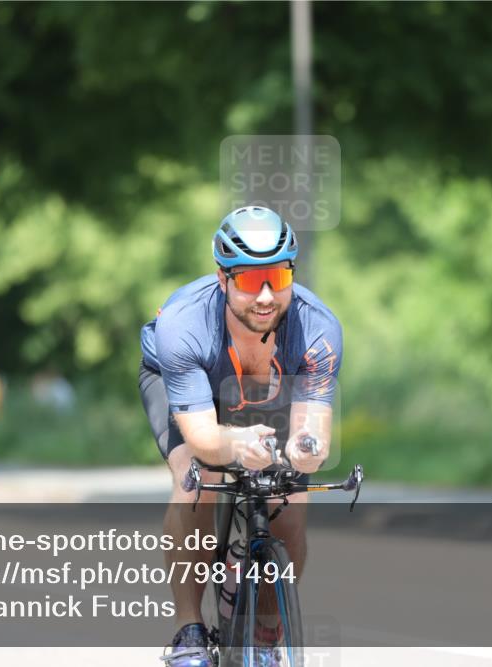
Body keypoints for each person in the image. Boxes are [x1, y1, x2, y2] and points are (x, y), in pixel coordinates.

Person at [138, 206, 343, 666]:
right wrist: (236, 444)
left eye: (278, 277)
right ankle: (188, 630)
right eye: (251, 281)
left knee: (290, 501)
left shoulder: (317, 329)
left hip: (269, 386)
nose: (267, 295)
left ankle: (267, 633)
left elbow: (314, 434)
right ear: (223, 278)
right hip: (192, 383)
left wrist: (303, 449)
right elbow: (207, 439)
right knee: (195, 478)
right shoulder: (184, 326)